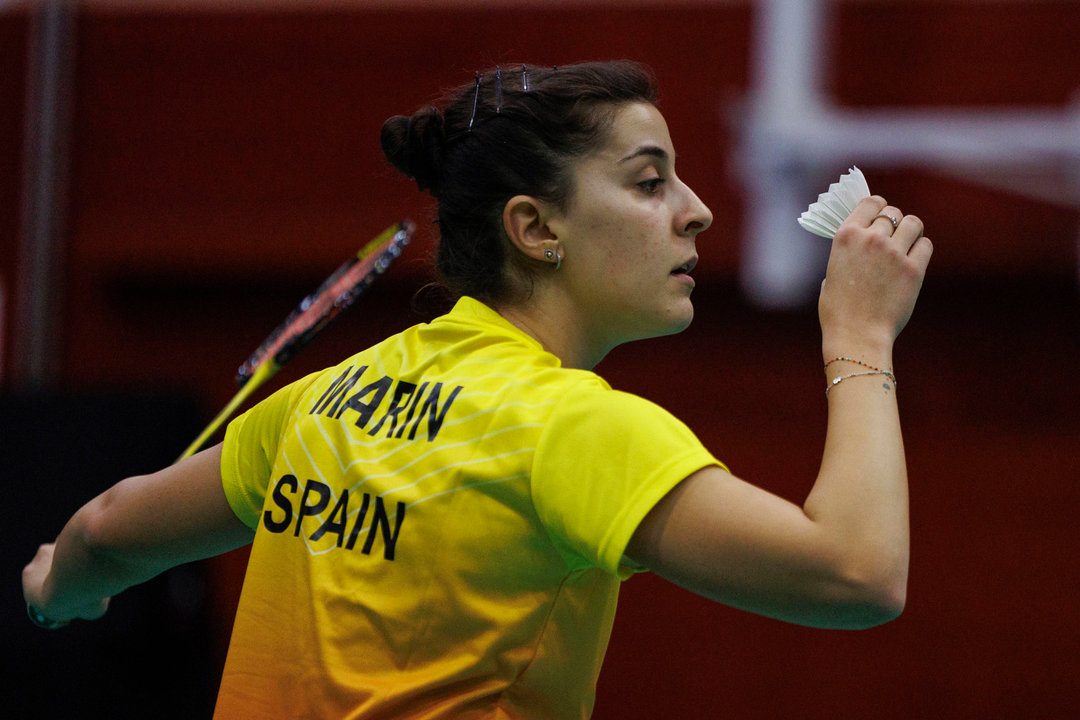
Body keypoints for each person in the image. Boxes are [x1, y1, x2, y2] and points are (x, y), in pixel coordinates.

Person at [22, 61, 932, 718]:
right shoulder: (567, 429)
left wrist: (62, 584)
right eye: (650, 182)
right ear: (536, 229)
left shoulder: (324, 402)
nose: (694, 208)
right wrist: (858, 335)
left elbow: (106, 529)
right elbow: (855, 573)